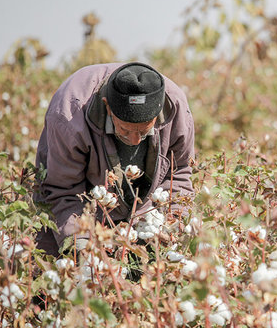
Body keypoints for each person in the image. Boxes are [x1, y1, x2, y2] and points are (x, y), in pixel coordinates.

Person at [34, 62, 195, 256]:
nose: (135, 141)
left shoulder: (174, 107)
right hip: (80, 207)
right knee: (63, 263)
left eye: (144, 132)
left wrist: (173, 227)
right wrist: (82, 249)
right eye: (125, 131)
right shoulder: (69, 116)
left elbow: (178, 174)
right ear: (107, 107)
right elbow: (62, 190)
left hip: (143, 212)